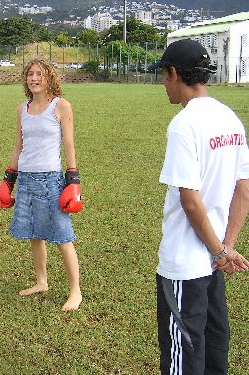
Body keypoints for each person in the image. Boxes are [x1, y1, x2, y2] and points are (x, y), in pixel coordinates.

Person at [150, 39, 249, 375]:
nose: (164, 84)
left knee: (184, 353)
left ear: (174, 74)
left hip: (186, 264)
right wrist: (225, 247)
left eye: (164, 76)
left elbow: (190, 202)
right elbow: (244, 190)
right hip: (213, 261)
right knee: (212, 346)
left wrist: (220, 251)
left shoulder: (184, 124)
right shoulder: (230, 118)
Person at [0, 58, 84, 312]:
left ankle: (75, 291)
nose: (34, 78)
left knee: (62, 237)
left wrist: (73, 181)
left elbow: (69, 145)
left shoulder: (61, 106)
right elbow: (18, 146)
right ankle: (41, 282)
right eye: (30, 74)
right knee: (34, 235)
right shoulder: (22, 109)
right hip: (25, 179)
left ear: (49, 78)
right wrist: (8, 180)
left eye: (39, 74)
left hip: (50, 180)